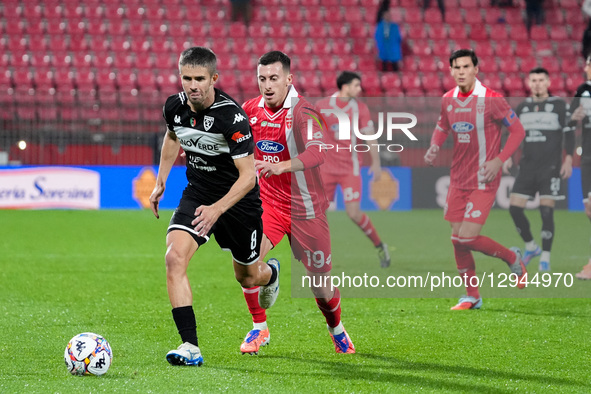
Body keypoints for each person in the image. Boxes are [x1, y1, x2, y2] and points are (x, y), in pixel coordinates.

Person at [149, 47, 279, 366]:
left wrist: (218, 209)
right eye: (186, 78)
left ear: (213, 79)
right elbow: (171, 136)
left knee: (248, 277)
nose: (192, 85)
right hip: (198, 194)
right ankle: (190, 346)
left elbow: (248, 177)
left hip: (238, 203)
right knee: (174, 257)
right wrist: (161, 180)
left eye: (199, 79)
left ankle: (271, 273)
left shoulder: (230, 117)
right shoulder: (174, 107)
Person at [239, 51, 355, 354]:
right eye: (262, 78)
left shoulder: (305, 112)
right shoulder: (250, 110)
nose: (267, 84)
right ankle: (259, 328)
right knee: (246, 263)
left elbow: (319, 152)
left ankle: (337, 330)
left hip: (307, 210)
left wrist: (282, 166)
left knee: (321, 286)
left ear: (289, 79)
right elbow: (233, 143)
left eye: (273, 78)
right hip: (268, 206)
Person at [424, 49, 527, 310]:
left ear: (475, 70)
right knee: (456, 238)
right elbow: (442, 126)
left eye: (465, 66)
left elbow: (517, 131)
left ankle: (512, 256)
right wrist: (435, 146)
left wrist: (499, 159)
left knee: (467, 237)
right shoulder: (448, 99)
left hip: (483, 178)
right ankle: (473, 296)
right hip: (458, 178)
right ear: (451, 71)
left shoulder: (492, 99)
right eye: (456, 67)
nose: (460, 71)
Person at [315, 71, 391, 268]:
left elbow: (370, 136)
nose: (360, 89)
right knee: (316, 212)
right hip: (326, 168)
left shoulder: (360, 109)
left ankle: (380, 245)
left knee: (354, 213)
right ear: (345, 86)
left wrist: (376, 162)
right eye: (356, 85)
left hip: (350, 168)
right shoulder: (322, 106)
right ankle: (318, 255)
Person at [502, 68, 574, 272]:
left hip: (550, 167)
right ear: (529, 82)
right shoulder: (523, 107)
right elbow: (513, 133)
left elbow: (568, 132)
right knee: (514, 209)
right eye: (533, 80)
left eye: (541, 80)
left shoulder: (559, 105)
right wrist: (507, 156)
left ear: (548, 82)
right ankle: (532, 247)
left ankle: (546, 257)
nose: (537, 84)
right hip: (527, 166)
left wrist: (568, 158)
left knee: (546, 210)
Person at [568, 56, 591, 279]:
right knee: (589, 209)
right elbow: (569, 119)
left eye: (589, 63)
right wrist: (574, 116)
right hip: (588, 157)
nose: (585, 67)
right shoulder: (583, 90)